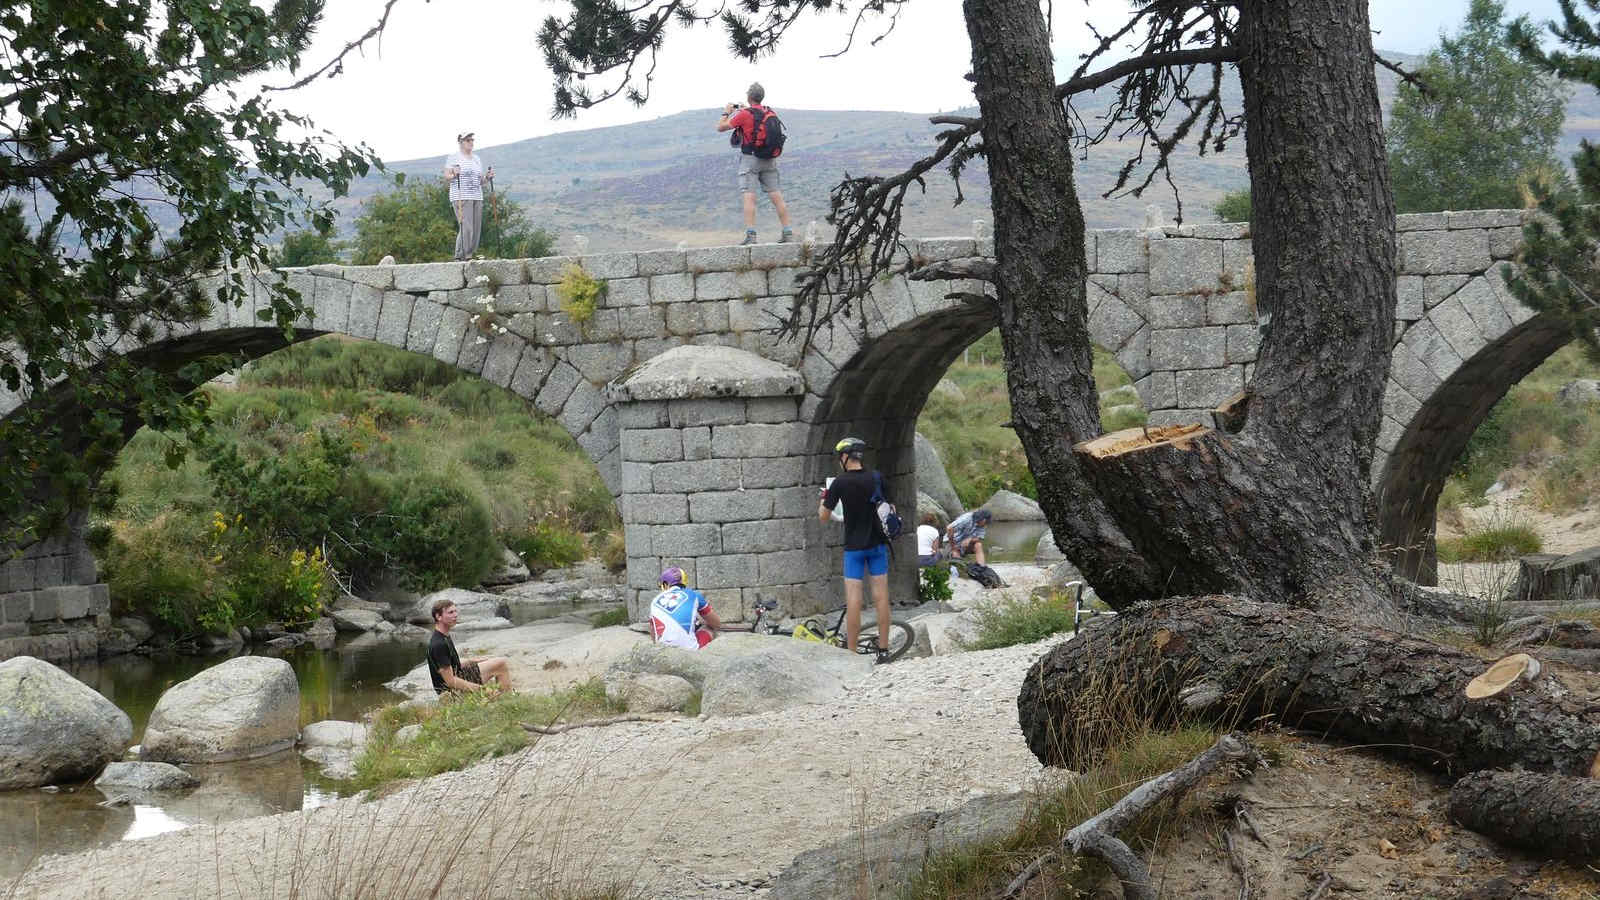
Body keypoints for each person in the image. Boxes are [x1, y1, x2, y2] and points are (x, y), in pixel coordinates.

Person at [818, 436, 892, 656]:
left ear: (845, 457)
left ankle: (851, 652)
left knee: (853, 600)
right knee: (881, 597)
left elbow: (823, 516)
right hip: (877, 545)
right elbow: (890, 509)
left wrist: (824, 498)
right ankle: (884, 649)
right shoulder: (877, 478)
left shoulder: (840, 483)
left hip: (854, 549)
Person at [715, 82, 793, 246]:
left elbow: (720, 127)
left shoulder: (744, 115)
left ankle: (751, 236)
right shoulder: (769, 112)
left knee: (749, 196)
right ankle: (787, 232)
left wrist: (726, 112)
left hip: (750, 159)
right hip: (770, 158)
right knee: (776, 196)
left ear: (749, 97)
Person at [427, 597, 513, 695]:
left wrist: (475, 660)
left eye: (455, 611)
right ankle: (507, 698)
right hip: (451, 692)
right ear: (438, 616)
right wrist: (484, 690)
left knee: (497, 661)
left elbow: (454, 666)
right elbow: (450, 681)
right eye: (450, 612)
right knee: (500, 664)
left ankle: (505, 697)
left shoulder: (444, 636)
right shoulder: (439, 644)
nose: (455, 615)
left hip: (458, 676)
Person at [443, 131, 494, 261]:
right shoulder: (454, 157)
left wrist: (487, 178)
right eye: (468, 140)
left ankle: (470, 253)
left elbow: (480, 180)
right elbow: (447, 176)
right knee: (466, 226)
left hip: (477, 195)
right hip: (461, 195)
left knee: (476, 228)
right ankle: (461, 255)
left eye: (472, 140)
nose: (471, 142)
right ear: (460, 142)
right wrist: (454, 173)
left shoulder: (476, 159)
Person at [648, 567, 722, 649]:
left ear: (664, 585)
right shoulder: (695, 595)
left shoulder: (655, 600)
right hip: (689, 650)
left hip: (663, 649)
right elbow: (716, 624)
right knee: (709, 628)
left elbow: (653, 633)